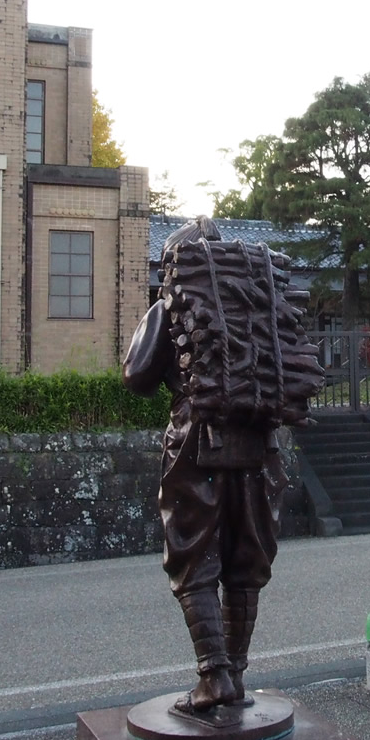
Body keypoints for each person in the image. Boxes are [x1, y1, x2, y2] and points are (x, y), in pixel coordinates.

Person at [122, 216, 290, 714]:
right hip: (259, 442)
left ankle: (214, 675)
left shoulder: (171, 305)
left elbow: (137, 378)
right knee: (246, 558)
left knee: (193, 557)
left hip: (196, 440)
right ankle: (236, 672)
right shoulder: (263, 305)